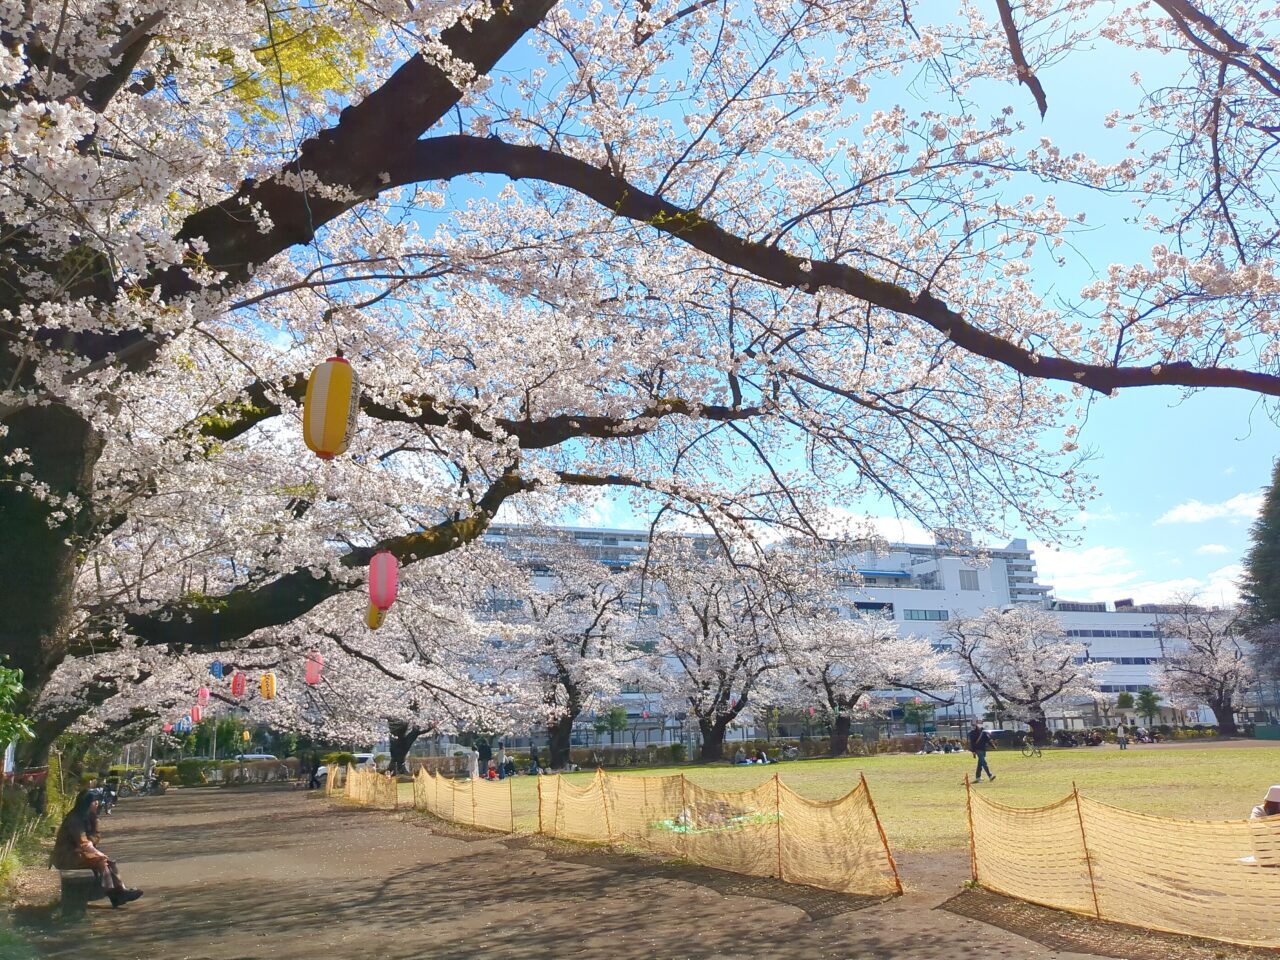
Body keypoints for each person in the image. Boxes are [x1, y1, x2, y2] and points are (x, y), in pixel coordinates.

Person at [51, 790, 143, 908]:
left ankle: (121, 891)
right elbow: (83, 842)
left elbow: (96, 836)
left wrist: (90, 843)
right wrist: (94, 850)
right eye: (94, 801)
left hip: (80, 853)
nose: (97, 803)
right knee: (101, 860)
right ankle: (113, 893)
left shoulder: (91, 817)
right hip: (66, 855)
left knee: (110, 861)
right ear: (86, 803)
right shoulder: (74, 819)